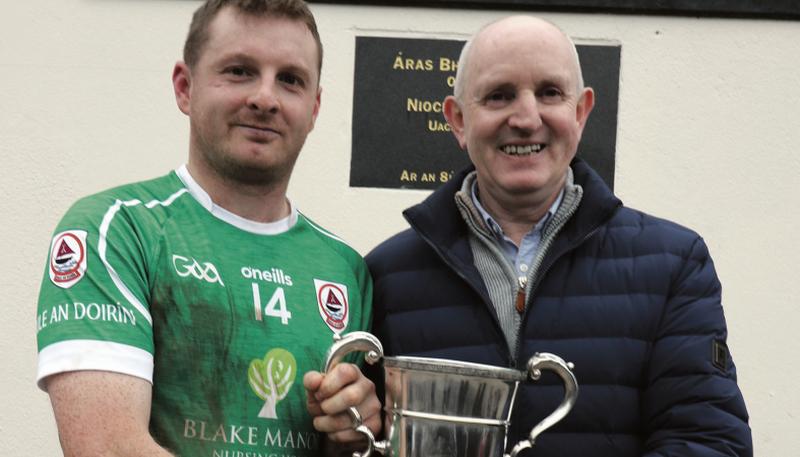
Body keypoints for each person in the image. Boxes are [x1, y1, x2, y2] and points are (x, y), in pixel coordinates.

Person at [363, 15, 753, 456]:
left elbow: (710, 444)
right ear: (458, 120)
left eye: (549, 92)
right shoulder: (385, 276)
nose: (527, 118)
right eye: (499, 95)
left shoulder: (673, 265)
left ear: (581, 111)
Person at [35, 1, 379, 456]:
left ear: (314, 108)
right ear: (185, 87)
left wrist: (358, 433)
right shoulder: (114, 231)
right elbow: (108, 447)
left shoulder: (346, 269)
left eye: (290, 80)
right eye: (239, 71)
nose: (265, 98)